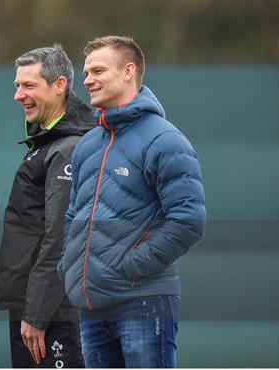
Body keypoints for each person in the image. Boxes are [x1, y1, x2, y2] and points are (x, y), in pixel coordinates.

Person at [57, 36, 206, 368]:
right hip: (92, 306)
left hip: (143, 302)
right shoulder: (87, 145)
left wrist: (129, 267)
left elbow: (188, 222)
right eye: (85, 72)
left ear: (128, 71)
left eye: (97, 70)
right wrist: (69, 265)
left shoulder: (165, 140)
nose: (87, 80)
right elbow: (73, 215)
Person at [0, 44, 94, 368]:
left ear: (59, 85)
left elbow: (61, 237)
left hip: (53, 312)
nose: (18, 95)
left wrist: (36, 314)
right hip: (35, 307)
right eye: (17, 86)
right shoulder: (48, 144)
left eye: (29, 86)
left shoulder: (68, 148)